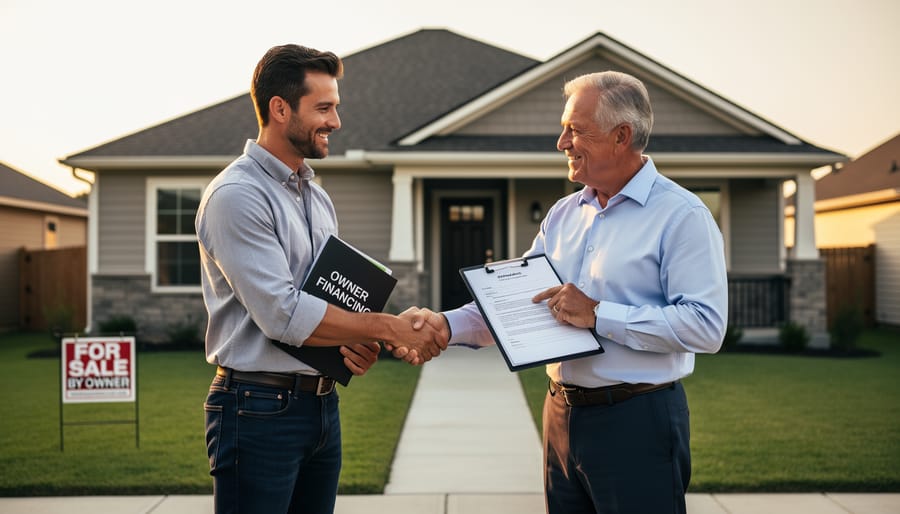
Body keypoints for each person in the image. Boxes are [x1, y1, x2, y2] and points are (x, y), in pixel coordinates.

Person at [408, 71, 728, 513]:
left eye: (575, 130)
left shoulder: (682, 216)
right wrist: (444, 325)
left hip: (637, 421)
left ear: (621, 136)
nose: (561, 143)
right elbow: (521, 301)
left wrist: (598, 314)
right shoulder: (562, 215)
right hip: (560, 416)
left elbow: (706, 327)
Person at [196, 44, 447, 514]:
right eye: (324, 108)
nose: (336, 121)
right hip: (256, 409)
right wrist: (386, 327)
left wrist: (351, 347)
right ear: (279, 108)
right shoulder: (237, 196)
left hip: (320, 407)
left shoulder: (315, 197)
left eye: (336, 107)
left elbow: (325, 299)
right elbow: (283, 314)